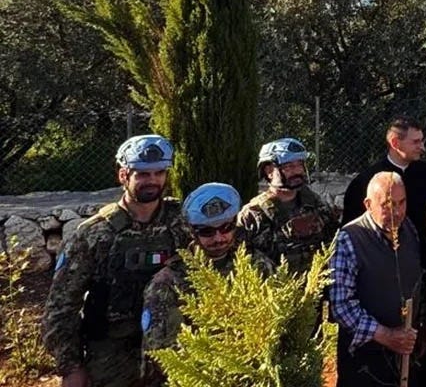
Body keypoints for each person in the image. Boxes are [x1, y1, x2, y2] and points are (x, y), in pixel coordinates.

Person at [42, 134, 191, 387]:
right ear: (123, 176)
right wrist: (71, 367)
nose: (152, 180)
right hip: (112, 355)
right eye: (142, 174)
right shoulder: (93, 234)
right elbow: (62, 305)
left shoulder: (184, 223)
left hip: (173, 349)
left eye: (159, 173)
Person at [140, 182, 273, 384]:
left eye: (226, 228)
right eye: (207, 232)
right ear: (192, 232)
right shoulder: (168, 282)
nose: (219, 238)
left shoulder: (256, 265)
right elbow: (164, 353)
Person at [330, 172, 426, 387]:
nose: (397, 212)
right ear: (368, 204)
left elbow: (417, 282)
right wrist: (386, 335)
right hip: (365, 363)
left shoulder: (409, 230)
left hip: (405, 358)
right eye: (388, 204)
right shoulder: (350, 239)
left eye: (402, 203)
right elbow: (341, 306)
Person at [342, 117, 426, 270]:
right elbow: (353, 230)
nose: (422, 147)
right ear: (395, 143)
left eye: (422, 141)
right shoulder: (366, 181)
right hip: (378, 261)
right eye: (415, 142)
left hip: (416, 256)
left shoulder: (425, 172)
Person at [237, 137, 339, 274]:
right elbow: (240, 258)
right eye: (289, 167)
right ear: (269, 171)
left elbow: (335, 241)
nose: (297, 171)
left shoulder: (316, 203)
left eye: (299, 165)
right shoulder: (253, 214)